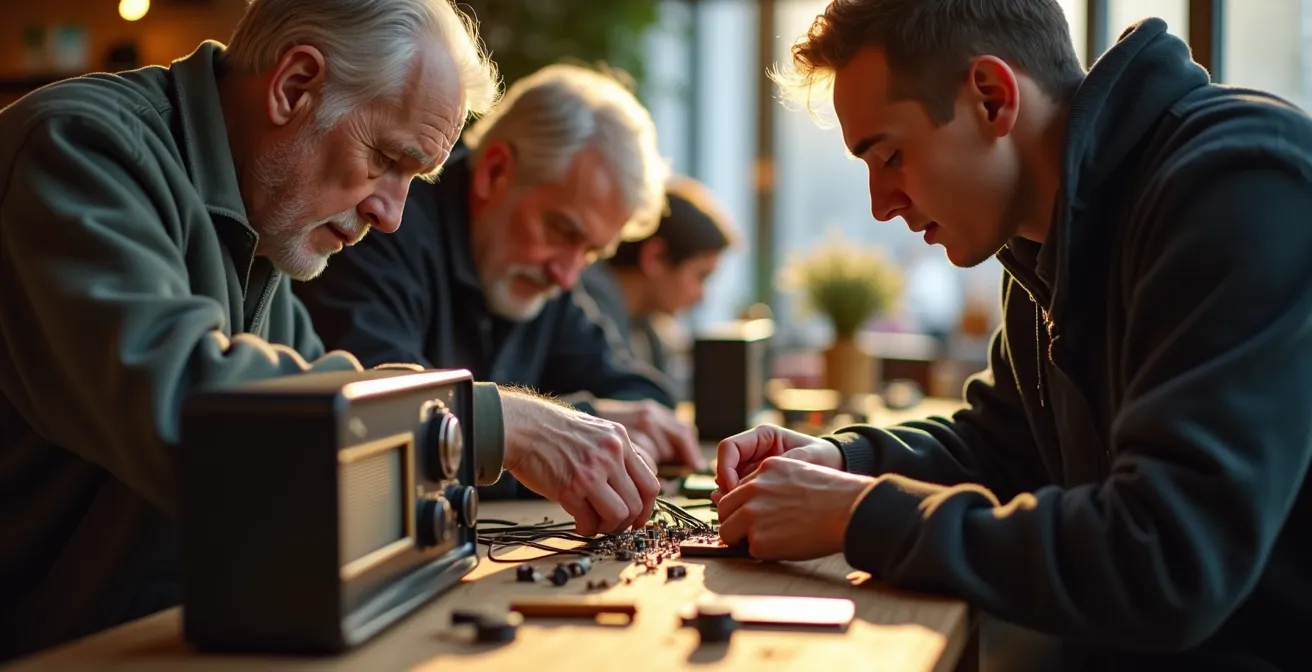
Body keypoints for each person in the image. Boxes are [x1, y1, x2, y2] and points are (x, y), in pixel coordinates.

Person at [0, 0, 658, 660]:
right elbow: (196, 416)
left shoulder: (264, 225)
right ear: (293, 87)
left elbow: (343, 439)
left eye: (415, 178)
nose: (393, 215)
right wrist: (488, 423)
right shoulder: (77, 150)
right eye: (386, 160)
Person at [712, 0, 1312, 669]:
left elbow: (1168, 559)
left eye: (890, 156)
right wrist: (846, 463)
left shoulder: (1239, 188)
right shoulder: (1043, 234)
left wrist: (858, 514)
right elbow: (1005, 447)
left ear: (992, 99)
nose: (882, 204)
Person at [295, 64, 705, 473]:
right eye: (562, 231)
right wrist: (542, 433)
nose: (567, 275)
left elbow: (640, 398)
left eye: (592, 252)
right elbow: (383, 425)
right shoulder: (383, 229)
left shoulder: (546, 280)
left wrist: (574, 425)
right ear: (494, 172)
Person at [578, 174, 735, 381]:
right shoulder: (587, 313)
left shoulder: (645, 328)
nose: (701, 296)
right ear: (656, 257)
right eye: (701, 276)